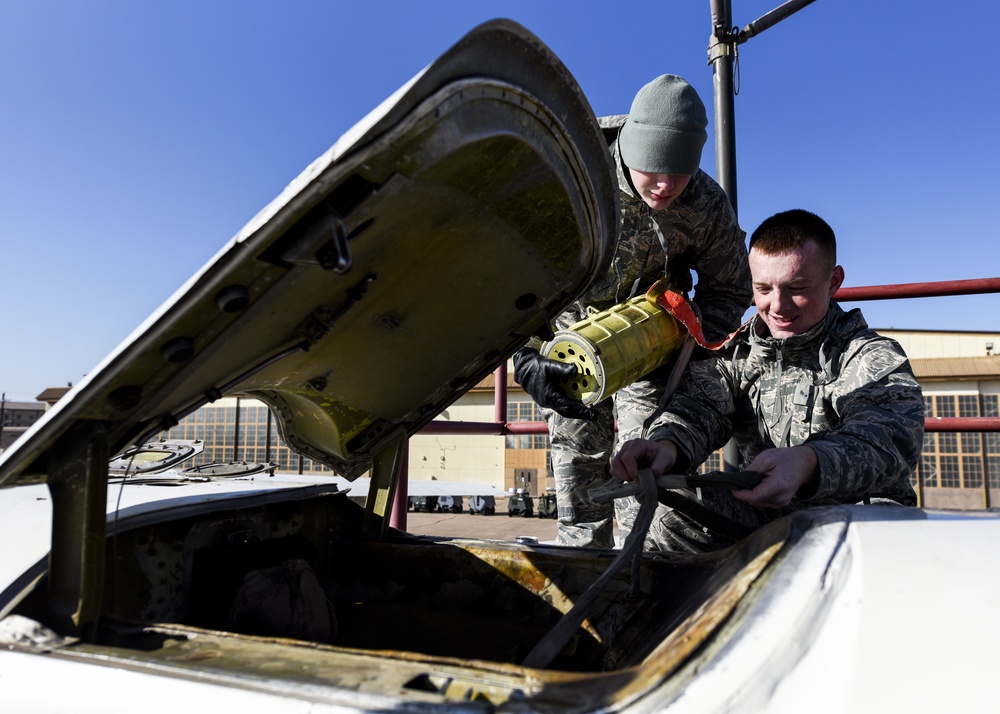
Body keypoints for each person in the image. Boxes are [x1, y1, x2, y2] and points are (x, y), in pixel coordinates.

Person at [513, 75, 752, 548]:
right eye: (653, 168)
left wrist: (686, 339)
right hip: (570, 357)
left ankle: (642, 590)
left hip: (652, 356)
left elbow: (731, 289)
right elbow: (514, 274)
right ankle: (584, 593)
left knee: (645, 484)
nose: (665, 185)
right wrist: (525, 354)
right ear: (627, 148)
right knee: (580, 489)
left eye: (679, 173)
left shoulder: (704, 202)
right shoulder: (572, 172)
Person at [610, 209, 925, 553]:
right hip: (769, 514)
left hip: (853, 520)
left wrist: (808, 462)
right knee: (671, 511)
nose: (777, 305)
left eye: (797, 288)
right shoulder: (738, 353)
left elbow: (890, 440)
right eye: (762, 288)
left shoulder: (867, 356)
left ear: (833, 281)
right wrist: (665, 446)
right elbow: (699, 408)